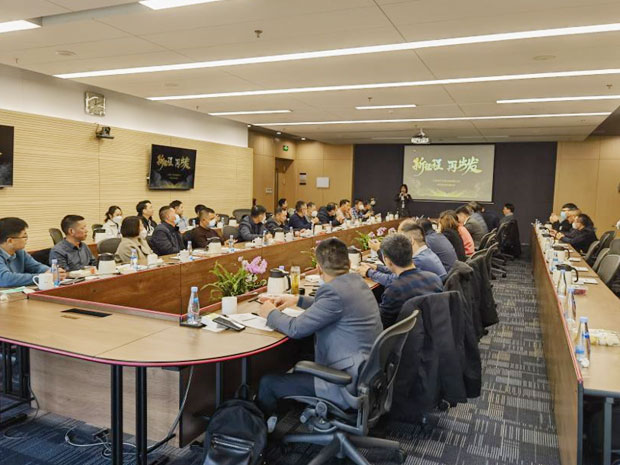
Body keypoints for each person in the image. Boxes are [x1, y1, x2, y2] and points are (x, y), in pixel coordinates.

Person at [256, 238, 383, 421]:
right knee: (301, 361)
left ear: (319, 268)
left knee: (268, 382)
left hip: (345, 383)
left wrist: (270, 313)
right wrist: (297, 300)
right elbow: (333, 306)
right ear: (348, 262)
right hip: (366, 374)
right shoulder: (357, 282)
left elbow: (295, 328)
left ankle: (264, 432)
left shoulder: (333, 292)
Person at [374, 234, 443, 328]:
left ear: (387, 260)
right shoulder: (434, 278)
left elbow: (382, 324)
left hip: (407, 335)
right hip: (434, 330)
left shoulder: (394, 290)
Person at [363, 220, 447, 284]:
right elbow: (400, 270)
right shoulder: (426, 253)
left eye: (401, 239)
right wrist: (377, 267)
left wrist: (368, 272)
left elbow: (393, 280)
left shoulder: (419, 260)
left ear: (411, 241)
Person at [0, 217, 66, 287]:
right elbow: (5, 279)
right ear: (10, 241)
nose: (26, 239)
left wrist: (53, 271)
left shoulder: (20, 252)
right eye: (24, 236)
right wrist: (44, 277)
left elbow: (36, 267)